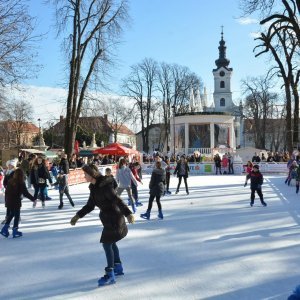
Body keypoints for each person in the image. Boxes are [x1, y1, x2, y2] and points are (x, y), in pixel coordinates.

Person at [70, 164, 134, 286]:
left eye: (85, 174)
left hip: (115, 218)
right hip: (108, 219)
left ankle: (110, 273)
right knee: (111, 243)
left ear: (92, 174)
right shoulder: (93, 187)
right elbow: (90, 205)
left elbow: (117, 199)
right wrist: (78, 215)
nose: (84, 176)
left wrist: (128, 213)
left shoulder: (105, 186)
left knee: (106, 243)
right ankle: (118, 267)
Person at [0, 169, 36, 238]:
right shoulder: (21, 182)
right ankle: (15, 230)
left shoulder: (10, 181)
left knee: (12, 214)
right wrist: (33, 199)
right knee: (16, 215)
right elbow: (25, 193)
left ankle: (5, 229)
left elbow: (7, 191)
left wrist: (7, 201)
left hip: (9, 200)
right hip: (15, 201)